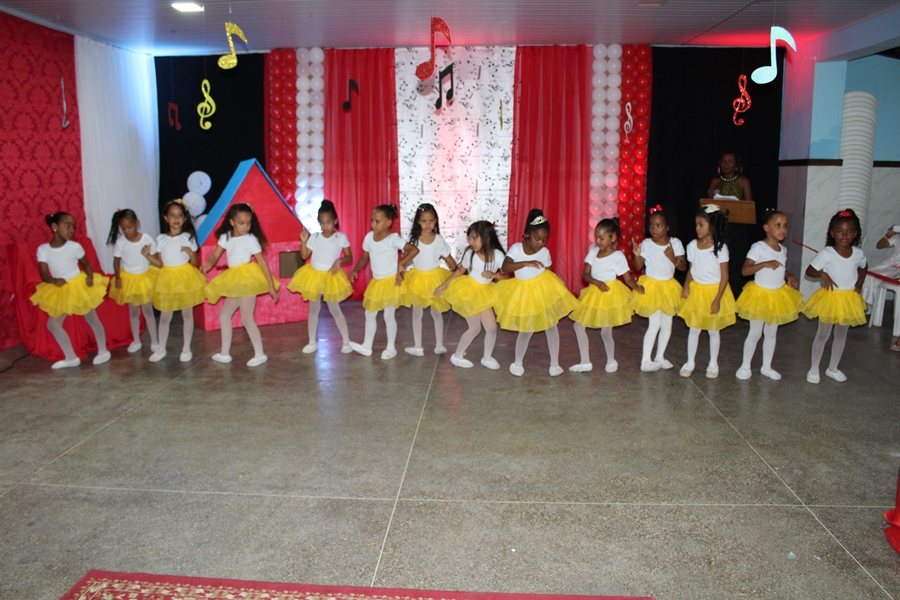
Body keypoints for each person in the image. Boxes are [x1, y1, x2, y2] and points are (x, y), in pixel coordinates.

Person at [495, 209, 579, 377]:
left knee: (551, 326)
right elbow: (505, 267)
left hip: (542, 291)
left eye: (544, 239)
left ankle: (555, 364)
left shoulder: (544, 252)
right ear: (527, 234)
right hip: (524, 293)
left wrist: (555, 291)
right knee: (526, 329)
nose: (541, 243)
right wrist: (526, 263)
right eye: (537, 239)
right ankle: (517, 363)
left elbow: (550, 272)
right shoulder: (517, 249)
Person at [200, 203, 280, 367]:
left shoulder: (250, 239)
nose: (245, 227)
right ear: (232, 222)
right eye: (241, 223)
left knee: (247, 318)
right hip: (235, 280)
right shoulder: (226, 237)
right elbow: (215, 255)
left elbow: (262, 262)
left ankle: (260, 354)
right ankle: (224, 354)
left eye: (248, 223)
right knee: (224, 316)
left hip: (247, 279)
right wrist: (209, 263)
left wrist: (271, 285)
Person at [30, 212, 110, 369]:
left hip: (77, 286)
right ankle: (71, 357)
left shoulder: (75, 247)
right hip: (60, 287)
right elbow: (43, 274)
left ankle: (103, 351)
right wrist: (54, 281)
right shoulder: (43, 249)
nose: (71, 230)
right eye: (67, 226)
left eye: (73, 226)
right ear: (54, 227)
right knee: (53, 325)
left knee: (92, 318)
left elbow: (86, 265)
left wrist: (89, 276)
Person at [734, 210, 804, 380]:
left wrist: (789, 275)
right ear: (767, 227)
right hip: (760, 295)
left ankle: (767, 367)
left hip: (777, 295)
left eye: (785, 226)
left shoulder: (783, 249)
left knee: (772, 333)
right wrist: (764, 264)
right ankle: (745, 366)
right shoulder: (758, 247)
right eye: (777, 225)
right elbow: (745, 270)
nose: (782, 229)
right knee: (755, 333)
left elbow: (780, 269)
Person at [803, 209, 868, 383]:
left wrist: (860, 282)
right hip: (831, 298)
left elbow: (864, 267)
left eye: (849, 231)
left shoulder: (858, 253)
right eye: (840, 231)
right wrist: (822, 274)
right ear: (832, 233)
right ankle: (814, 369)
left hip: (848, 299)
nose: (844, 235)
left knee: (841, 335)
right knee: (823, 334)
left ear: (855, 234)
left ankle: (833, 368)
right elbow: (809, 270)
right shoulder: (827, 253)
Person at [569, 217, 641, 373]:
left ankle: (611, 360)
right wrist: (597, 283)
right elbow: (585, 275)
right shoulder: (593, 253)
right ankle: (585, 362)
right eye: (596, 237)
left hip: (609, 295)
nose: (598, 241)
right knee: (578, 326)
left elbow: (628, 278)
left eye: (602, 238)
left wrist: (637, 288)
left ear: (613, 237)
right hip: (595, 292)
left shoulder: (618, 256)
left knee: (606, 332)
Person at [348, 204, 419, 359]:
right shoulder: (369, 237)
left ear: (388, 223)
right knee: (369, 314)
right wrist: (355, 270)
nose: (373, 224)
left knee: (388, 316)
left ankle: (391, 348)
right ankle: (367, 346)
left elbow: (413, 249)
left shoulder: (393, 239)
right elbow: (364, 258)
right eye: (372, 220)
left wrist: (401, 264)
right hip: (377, 282)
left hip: (391, 282)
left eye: (377, 221)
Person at [436, 220, 507, 369]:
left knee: (492, 328)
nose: (471, 242)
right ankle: (457, 356)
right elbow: (460, 271)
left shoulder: (498, 255)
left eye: (474, 238)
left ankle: (487, 358)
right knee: (475, 328)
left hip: (485, 293)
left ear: (487, 237)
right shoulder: (471, 254)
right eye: (469, 238)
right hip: (469, 292)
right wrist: (444, 285)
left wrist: (495, 275)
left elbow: (506, 276)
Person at [287, 200, 353, 354]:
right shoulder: (315, 237)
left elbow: (349, 257)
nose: (325, 226)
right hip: (314, 276)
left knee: (334, 309)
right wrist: (303, 241)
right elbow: (304, 256)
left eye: (328, 222)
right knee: (313, 309)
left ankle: (346, 341)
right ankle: (312, 342)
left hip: (331, 277)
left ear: (335, 221)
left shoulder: (340, 237)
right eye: (322, 223)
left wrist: (339, 260)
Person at [678, 204, 736, 378]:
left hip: (713, 292)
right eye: (696, 224)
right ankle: (690, 362)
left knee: (713, 330)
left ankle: (713, 364)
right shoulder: (692, 246)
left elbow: (725, 276)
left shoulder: (720, 248)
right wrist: (686, 285)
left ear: (712, 226)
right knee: (694, 328)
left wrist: (717, 299)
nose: (697, 228)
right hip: (697, 291)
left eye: (701, 225)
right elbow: (691, 270)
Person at [146, 199, 207, 363]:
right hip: (167, 279)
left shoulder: (188, 237)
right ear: (166, 218)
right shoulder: (161, 239)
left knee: (187, 314)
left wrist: (191, 253)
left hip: (185, 278)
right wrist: (148, 256)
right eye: (172, 215)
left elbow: (194, 263)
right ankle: (161, 349)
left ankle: (186, 348)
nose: (176, 218)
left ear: (185, 218)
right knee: (165, 316)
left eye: (180, 215)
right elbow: (161, 263)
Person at [632, 205, 686, 372]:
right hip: (652, 288)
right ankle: (645, 360)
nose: (654, 229)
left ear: (667, 227)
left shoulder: (675, 243)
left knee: (667, 324)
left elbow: (683, 267)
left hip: (669, 287)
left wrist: (672, 258)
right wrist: (637, 255)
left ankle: (660, 356)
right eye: (651, 225)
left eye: (659, 225)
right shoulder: (647, 243)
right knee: (654, 324)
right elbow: (638, 267)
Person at [403, 203, 458, 357]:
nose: (428, 224)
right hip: (417, 280)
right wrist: (401, 269)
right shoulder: (413, 240)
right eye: (424, 221)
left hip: (435, 279)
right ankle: (417, 346)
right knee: (417, 313)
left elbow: (448, 258)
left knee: (436, 312)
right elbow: (406, 258)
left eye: (431, 221)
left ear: (436, 221)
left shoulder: (438, 240)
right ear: (418, 222)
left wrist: (457, 271)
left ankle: (439, 345)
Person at [107, 209, 159, 354]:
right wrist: (118, 277)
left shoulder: (146, 238)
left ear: (137, 223)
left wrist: (149, 255)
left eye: (129, 227)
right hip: (129, 279)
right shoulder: (121, 242)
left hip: (145, 278)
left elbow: (155, 257)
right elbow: (116, 261)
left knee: (148, 311)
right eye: (123, 228)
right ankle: (136, 340)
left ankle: (155, 341)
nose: (127, 231)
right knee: (134, 311)